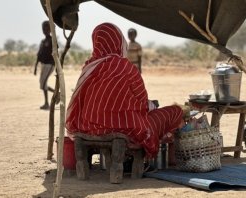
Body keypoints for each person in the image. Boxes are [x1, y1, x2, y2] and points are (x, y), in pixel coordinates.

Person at [66, 23, 187, 158]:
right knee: (175, 111)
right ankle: (165, 156)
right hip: (122, 127)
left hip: (86, 127)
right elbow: (142, 103)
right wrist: (151, 106)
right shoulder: (124, 66)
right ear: (119, 40)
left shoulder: (88, 68)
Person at [34, 20, 55, 110]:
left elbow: (56, 54)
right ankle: (52, 98)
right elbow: (39, 55)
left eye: (46, 28)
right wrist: (35, 66)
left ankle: (51, 99)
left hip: (50, 65)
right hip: (43, 65)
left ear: (50, 29)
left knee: (43, 84)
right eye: (43, 28)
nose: (44, 30)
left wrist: (57, 67)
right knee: (42, 84)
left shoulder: (52, 41)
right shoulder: (43, 42)